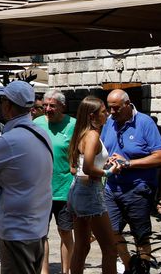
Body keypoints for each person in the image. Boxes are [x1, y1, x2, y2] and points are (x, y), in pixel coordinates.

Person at [0, 81, 53, 274]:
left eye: (2, 101)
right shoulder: (41, 133)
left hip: (16, 229)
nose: (0, 106)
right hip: (36, 225)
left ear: (8, 106)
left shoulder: (9, 140)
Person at [101, 89, 161, 269]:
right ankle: (130, 267)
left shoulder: (145, 123)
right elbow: (103, 150)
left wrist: (128, 163)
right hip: (112, 188)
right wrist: (108, 160)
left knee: (141, 235)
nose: (112, 112)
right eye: (110, 108)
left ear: (127, 105)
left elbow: (160, 157)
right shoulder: (109, 123)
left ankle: (143, 269)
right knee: (111, 232)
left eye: (116, 108)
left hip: (137, 188)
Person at [66, 96, 117, 274]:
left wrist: (104, 162)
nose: (108, 114)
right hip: (90, 192)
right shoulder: (93, 135)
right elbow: (88, 167)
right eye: (104, 111)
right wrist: (108, 172)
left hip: (77, 190)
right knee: (110, 248)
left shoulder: (81, 133)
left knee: (81, 246)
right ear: (92, 115)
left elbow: (76, 167)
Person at [34, 89, 75, 274]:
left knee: (65, 231)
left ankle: (66, 270)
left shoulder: (73, 125)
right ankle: (45, 271)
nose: (48, 109)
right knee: (41, 233)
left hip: (64, 187)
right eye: (45, 106)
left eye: (52, 106)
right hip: (41, 188)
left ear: (62, 107)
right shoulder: (36, 123)